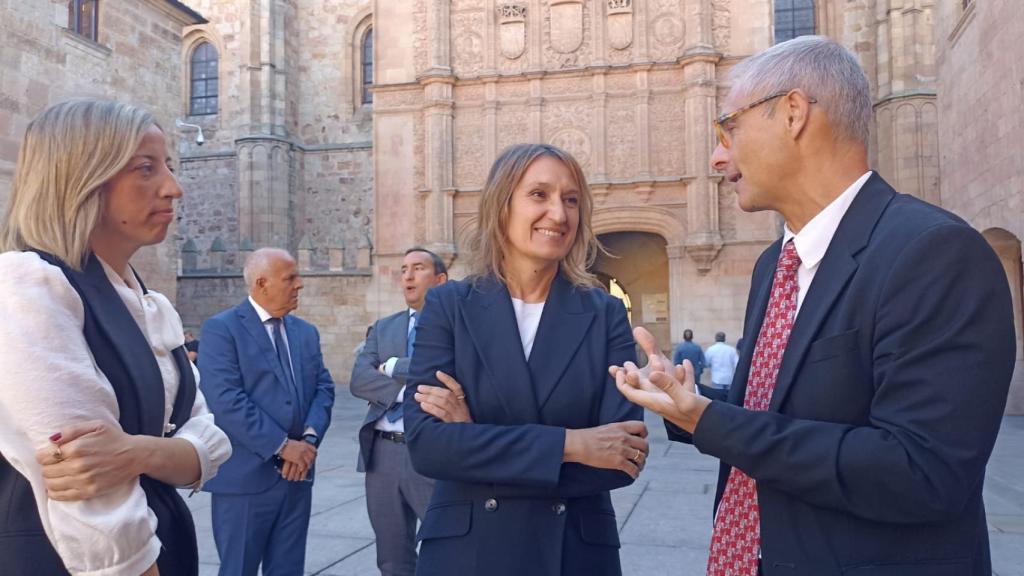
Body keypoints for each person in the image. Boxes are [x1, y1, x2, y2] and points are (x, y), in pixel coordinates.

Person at [613, 36, 1015, 576]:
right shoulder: (774, 265)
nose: (717, 156)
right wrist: (689, 401)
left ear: (795, 114)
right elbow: (788, 408)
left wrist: (709, 420)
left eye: (728, 128)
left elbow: (922, 471)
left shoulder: (932, 253)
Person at [0, 99, 231, 576]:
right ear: (82, 176)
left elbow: (209, 439)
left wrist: (136, 452)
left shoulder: (145, 300)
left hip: (166, 545)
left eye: (167, 166)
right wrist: (165, 456)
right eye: (146, 168)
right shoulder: (26, 285)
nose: (174, 187)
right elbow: (90, 497)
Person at [404, 143, 649, 576]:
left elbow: (622, 458)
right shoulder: (449, 306)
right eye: (539, 195)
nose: (559, 213)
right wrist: (573, 445)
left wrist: (475, 438)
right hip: (469, 553)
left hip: (573, 552)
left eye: (571, 200)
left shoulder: (605, 312)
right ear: (502, 206)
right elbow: (429, 447)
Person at [199, 247, 336, 576]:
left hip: (297, 477)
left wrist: (308, 438)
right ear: (261, 283)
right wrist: (281, 445)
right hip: (246, 481)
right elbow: (225, 398)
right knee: (238, 570)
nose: (299, 284)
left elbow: (323, 388)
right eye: (290, 278)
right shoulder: (223, 329)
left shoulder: (306, 333)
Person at [350, 247, 449, 576]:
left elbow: (451, 367)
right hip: (383, 454)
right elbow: (359, 379)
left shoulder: (455, 328)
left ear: (440, 279)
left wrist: (392, 366)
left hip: (433, 453)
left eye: (418, 268)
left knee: (446, 547)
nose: (407, 275)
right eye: (403, 268)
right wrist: (412, 391)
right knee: (392, 558)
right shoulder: (383, 327)